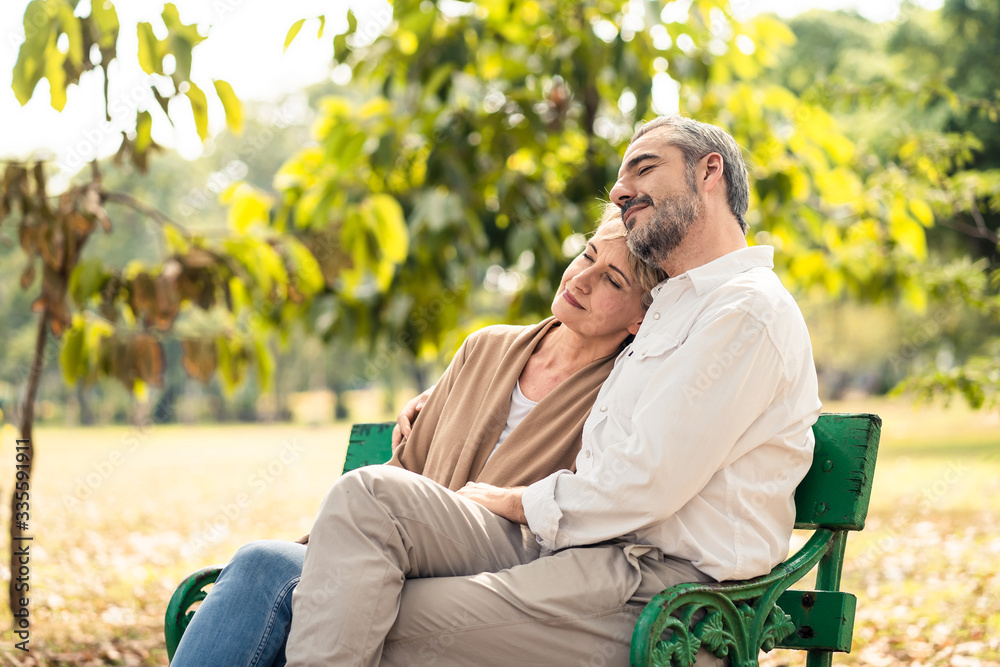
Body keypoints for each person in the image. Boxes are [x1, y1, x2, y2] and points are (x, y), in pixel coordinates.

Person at [282, 115, 821, 667]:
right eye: (618, 178)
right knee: (368, 496)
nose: (618, 190)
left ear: (710, 172)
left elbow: (645, 482)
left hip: (668, 593)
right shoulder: (669, 309)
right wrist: (447, 397)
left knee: (391, 614)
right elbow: (566, 365)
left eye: (644, 167)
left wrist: (513, 499)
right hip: (580, 551)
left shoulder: (746, 310)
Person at [168, 209, 668, 667]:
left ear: (640, 317)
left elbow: (593, 507)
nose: (580, 279)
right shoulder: (486, 347)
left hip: (500, 579)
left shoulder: (623, 393)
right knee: (262, 561)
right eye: (586, 255)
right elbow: (404, 470)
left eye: (611, 280)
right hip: (391, 545)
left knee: (328, 537)